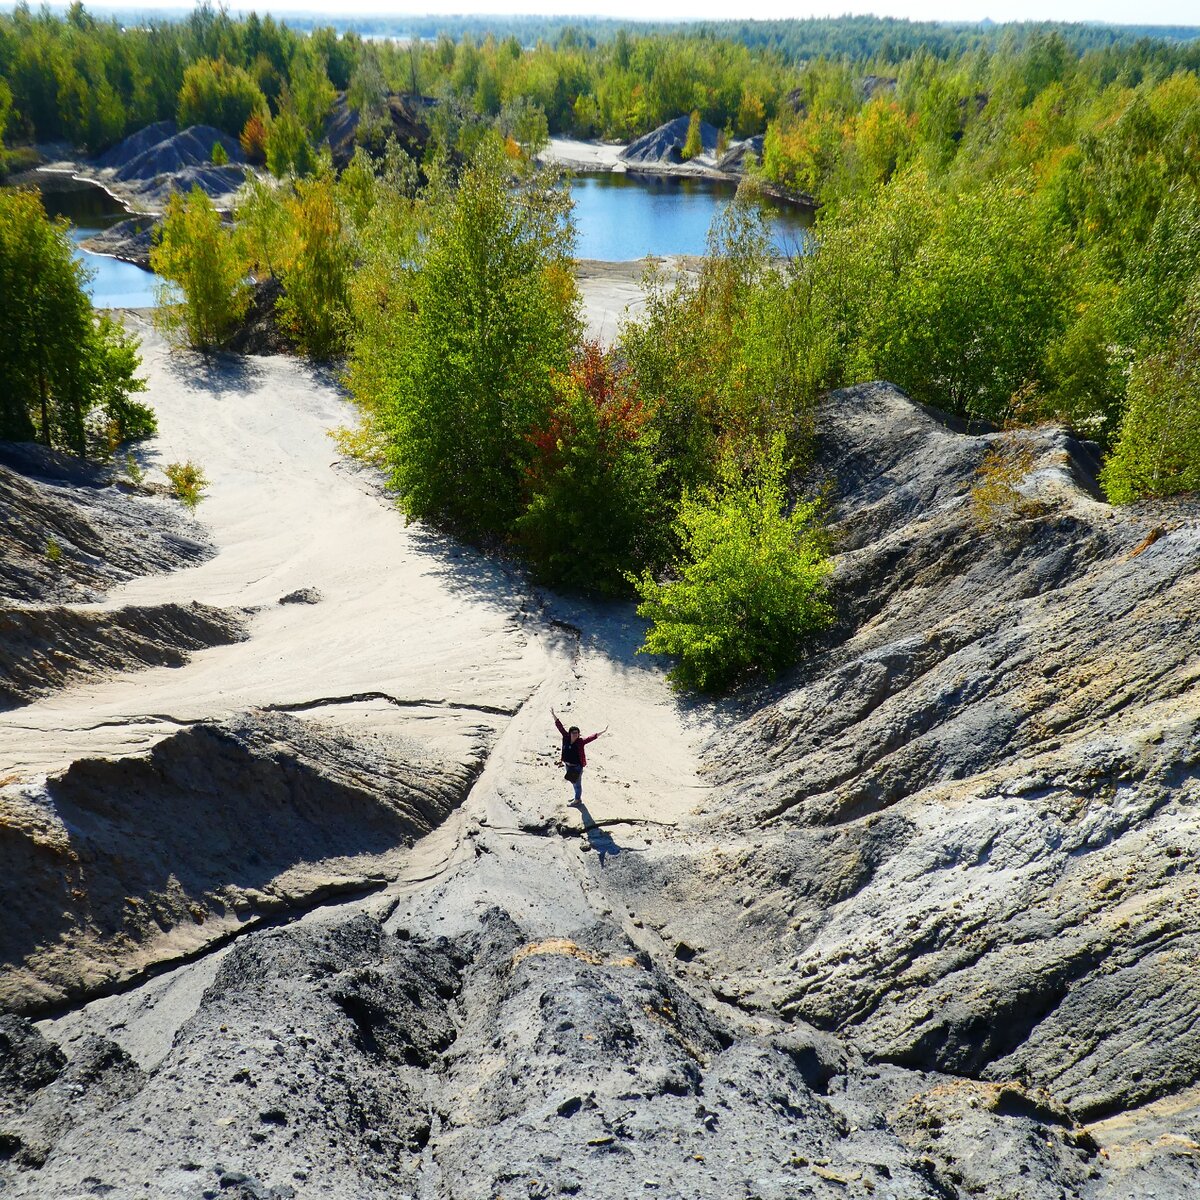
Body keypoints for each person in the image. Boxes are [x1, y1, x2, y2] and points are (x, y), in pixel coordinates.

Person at [552, 707, 606, 806]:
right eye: (573, 733)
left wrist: (601, 732)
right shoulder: (566, 737)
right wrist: (553, 715)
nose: (575, 735)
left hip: (576, 767)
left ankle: (577, 800)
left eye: (577, 733)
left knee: (577, 784)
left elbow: (590, 738)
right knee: (573, 782)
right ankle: (577, 797)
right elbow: (559, 726)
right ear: (570, 733)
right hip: (567, 765)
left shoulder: (580, 742)